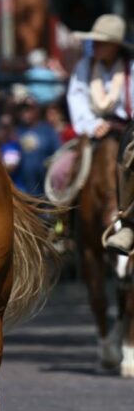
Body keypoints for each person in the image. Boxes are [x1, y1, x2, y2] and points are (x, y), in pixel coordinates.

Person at [65, 14, 134, 253]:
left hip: (128, 130)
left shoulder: (130, 67)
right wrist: (92, 124)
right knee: (64, 168)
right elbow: (77, 99)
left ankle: (127, 223)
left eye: (101, 42)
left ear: (115, 45)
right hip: (93, 131)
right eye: (95, 41)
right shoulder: (85, 66)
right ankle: (64, 219)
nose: (95, 46)